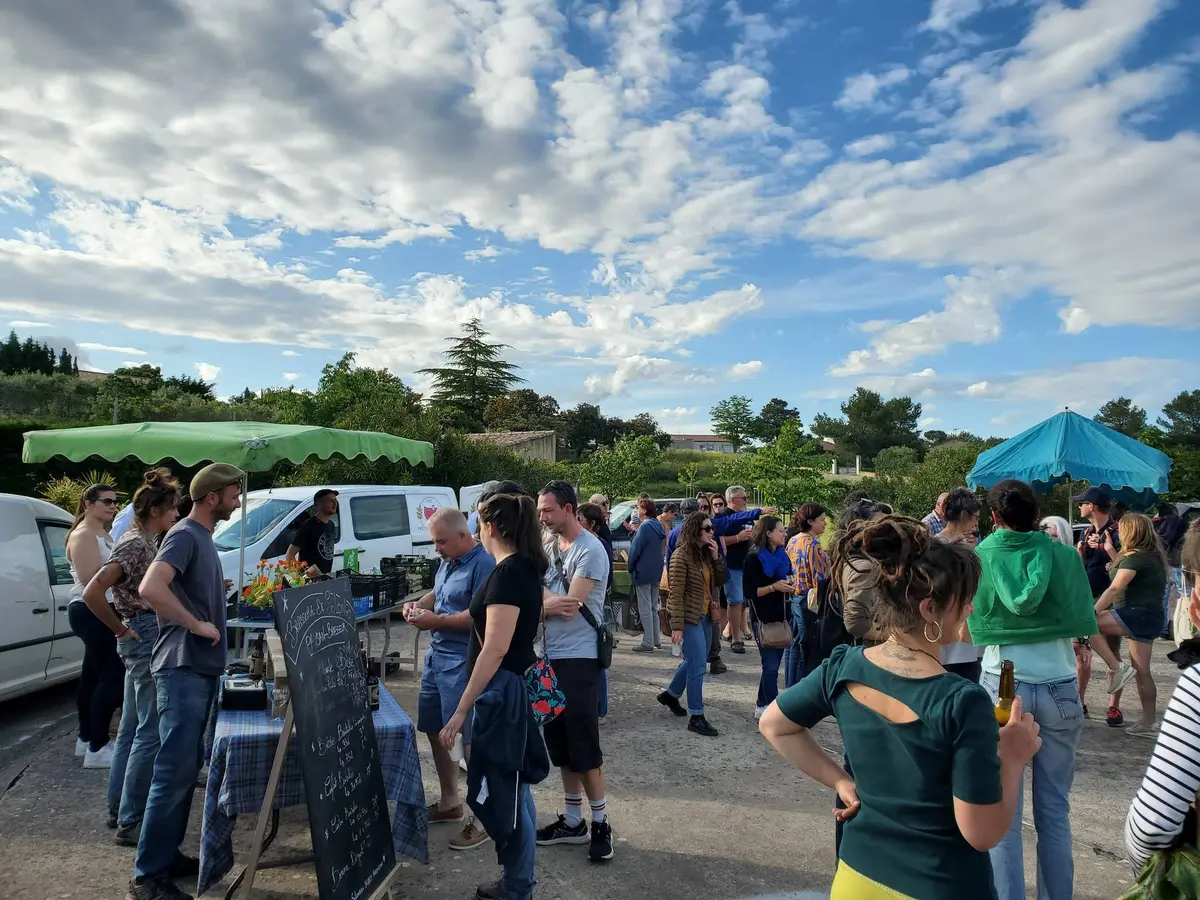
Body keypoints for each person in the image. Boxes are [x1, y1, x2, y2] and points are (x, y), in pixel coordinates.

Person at [760, 515, 1042, 900]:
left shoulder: (844, 665)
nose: (970, 610)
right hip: (940, 883)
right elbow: (981, 833)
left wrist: (842, 782)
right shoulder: (962, 700)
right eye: (963, 600)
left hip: (856, 876)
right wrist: (1013, 758)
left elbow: (775, 724)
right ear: (930, 609)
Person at [970, 480, 1102, 900]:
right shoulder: (1064, 555)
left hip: (1004, 684)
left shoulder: (980, 557)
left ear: (994, 516)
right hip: (1060, 685)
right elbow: (1082, 615)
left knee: (1004, 810)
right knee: (1054, 812)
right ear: (1035, 512)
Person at [127, 463, 243, 900]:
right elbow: (151, 588)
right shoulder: (184, 534)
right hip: (182, 668)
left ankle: (165, 857)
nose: (237, 501)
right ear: (212, 497)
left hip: (196, 669)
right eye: (233, 494)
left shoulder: (200, 540)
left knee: (184, 769)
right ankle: (147, 877)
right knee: (173, 773)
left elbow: (175, 588)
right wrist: (196, 623)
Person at [439, 491, 547, 900]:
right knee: (514, 789)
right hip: (510, 688)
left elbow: (496, 648)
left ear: (491, 527)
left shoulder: (509, 574)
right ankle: (517, 881)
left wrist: (461, 709)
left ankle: (518, 887)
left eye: (479, 522)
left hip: (503, 693)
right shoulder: (521, 568)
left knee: (509, 791)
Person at [82, 469, 181, 841]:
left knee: (130, 730)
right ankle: (131, 820)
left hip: (139, 634)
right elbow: (94, 592)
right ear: (155, 509)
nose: (175, 515)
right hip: (142, 635)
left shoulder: (140, 540)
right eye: (172, 509)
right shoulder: (136, 544)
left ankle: (118, 811)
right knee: (148, 733)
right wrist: (120, 628)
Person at [405, 508, 496, 851]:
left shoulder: (484, 564)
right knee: (433, 728)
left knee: (468, 739)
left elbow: (479, 619)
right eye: (434, 542)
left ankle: (484, 817)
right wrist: (418, 604)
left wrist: (435, 621)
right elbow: (438, 594)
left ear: (463, 535)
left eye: (441, 542)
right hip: (436, 657)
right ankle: (449, 802)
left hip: (462, 661)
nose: (437, 549)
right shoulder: (449, 559)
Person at [535, 481, 614, 862]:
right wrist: (546, 601)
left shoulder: (591, 549)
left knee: (584, 744)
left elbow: (569, 606)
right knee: (562, 746)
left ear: (568, 509)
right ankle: (572, 820)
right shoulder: (549, 546)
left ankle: (600, 824)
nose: (542, 517)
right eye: (539, 511)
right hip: (548, 656)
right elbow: (540, 594)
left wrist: (541, 601)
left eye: (548, 511)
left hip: (580, 658)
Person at [1125, 534, 1200, 870]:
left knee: (1139, 670)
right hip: (1149, 619)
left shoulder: (1198, 683)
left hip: (1135, 618)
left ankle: (1116, 673)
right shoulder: (1152, 556)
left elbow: (1152, 827)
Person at [1093, 513, 1168, 737]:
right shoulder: (1149, 556)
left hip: (1135, 613)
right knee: (1143, 672)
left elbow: (1115, 588)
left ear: (1130, 532)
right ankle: (1149, 722)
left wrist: (1093, 610)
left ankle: (1116, 667)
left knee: (1086, 624)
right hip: (1150, 617)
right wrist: (1110, 552)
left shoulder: (1136, 558)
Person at [66, 482, 121, 769]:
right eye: (107, 501)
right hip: (91, 609)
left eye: (114, 502)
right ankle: (97, 747)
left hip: (101, 607)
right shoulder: (85, 534)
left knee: (91, 675)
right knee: (113, 676)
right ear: (88, 503)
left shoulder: (103, 534)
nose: (113, 506)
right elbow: (90, 581)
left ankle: (86, 738)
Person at [658, 511, 727, 737]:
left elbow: (720, 581)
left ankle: (670, 694)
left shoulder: (705, 554)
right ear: (695, 530)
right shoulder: (680, 556)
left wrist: (717, 558)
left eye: (712, 528)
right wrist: (677, 626)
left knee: (695, 660)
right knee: (698, 666)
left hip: (706, 615)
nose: (711, 532)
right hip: (689, 617)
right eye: (707, 529)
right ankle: (697, 716)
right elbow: (675, 593)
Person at [1076, 487, 1127, 727]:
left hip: (1109, 599)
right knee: (1081, 653)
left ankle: (1113, 707)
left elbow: (1126, 565)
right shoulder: (1086, 532)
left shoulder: (1119, 532)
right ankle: (1079, 702)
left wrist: (1107, 550)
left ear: (1093, 506)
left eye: (1082, 503)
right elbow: (1086, 567)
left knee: (1112, 653)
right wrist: (1081, 554)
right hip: (1088, 596)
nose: (1079, 507)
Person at [743, 516, 794, 718]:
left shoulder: (782, 555)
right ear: (768, 533)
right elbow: (749, 592)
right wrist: (773, 587)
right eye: (781, 530)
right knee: (771, 666)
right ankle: (774, 713)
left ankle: (761, 705)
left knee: (771, 667)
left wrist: (790, 583)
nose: (785, 534)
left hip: (782, 617)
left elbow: (789, 576)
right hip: (762, 618)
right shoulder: (753, 558)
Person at [715, 486, 776, 652]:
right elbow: (716, 539)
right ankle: (736, 638)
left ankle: (731, 632)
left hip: (746, 564)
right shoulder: (723, 516)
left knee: (743, 601)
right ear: (733, 500)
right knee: (734, 600)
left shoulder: (746, 516)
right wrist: (736, 538)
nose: (746, 501)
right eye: (744, 498)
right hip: (732, 564)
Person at [937, 488, 984, 682]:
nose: (976, 523)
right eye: (975, 518)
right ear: (965, 515)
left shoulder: (969, 543)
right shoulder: (937, 545)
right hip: (948, 624)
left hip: (968, 623)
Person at [576, 502, 614, 720]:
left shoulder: (597, 546)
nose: (576, 522)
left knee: (599, 657)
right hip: (587, 608)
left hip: (593, 609)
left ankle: (600, 709)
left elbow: (606, 578)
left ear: (592, 523)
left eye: (580, 519)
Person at [784, 503, 827, 688]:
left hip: (794, 596)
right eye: (822, 520)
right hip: (809, 600)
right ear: (810, 522)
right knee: (805, 647)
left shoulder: (793, 540)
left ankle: (789, 686)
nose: (825, 524)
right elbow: (820, 577)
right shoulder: (813, 544)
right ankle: (800, 689)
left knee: (793, 645)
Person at [627, 497, 667, 652]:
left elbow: (635, 550)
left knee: (644, 607)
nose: (636, 510)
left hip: (642, 570)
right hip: (656, 571)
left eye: (638, 508)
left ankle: (648, 642)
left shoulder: (644, 527)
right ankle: (656, 639)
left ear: (643, 510)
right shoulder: (658, 526)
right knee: (653, 607)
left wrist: (630, 567)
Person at [286, 488, 338, 576]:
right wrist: (297, 578)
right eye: (330, 500)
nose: (335, 503)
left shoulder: (331, 525)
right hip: (309, 580)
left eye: (335, 500)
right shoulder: (308, 526)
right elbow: (290, 553)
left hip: (325, 578)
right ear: (319, 504)